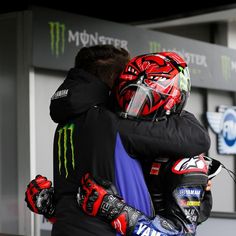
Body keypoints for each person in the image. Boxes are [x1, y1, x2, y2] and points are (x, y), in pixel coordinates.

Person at [25, 46, 211, 236]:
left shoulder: (66, 124)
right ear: (116, 82)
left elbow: (79, 199)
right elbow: (197, 137)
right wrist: (117, 211)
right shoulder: (114, 124)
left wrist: (52, 205)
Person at [77, 51, 219, 235]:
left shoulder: (186, 161)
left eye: (143, 99)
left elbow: (181, 233)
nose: (131, 107)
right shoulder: (134, 144)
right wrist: (54, 206)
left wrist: (116, 212)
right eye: (129, 96)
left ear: (168, 100)